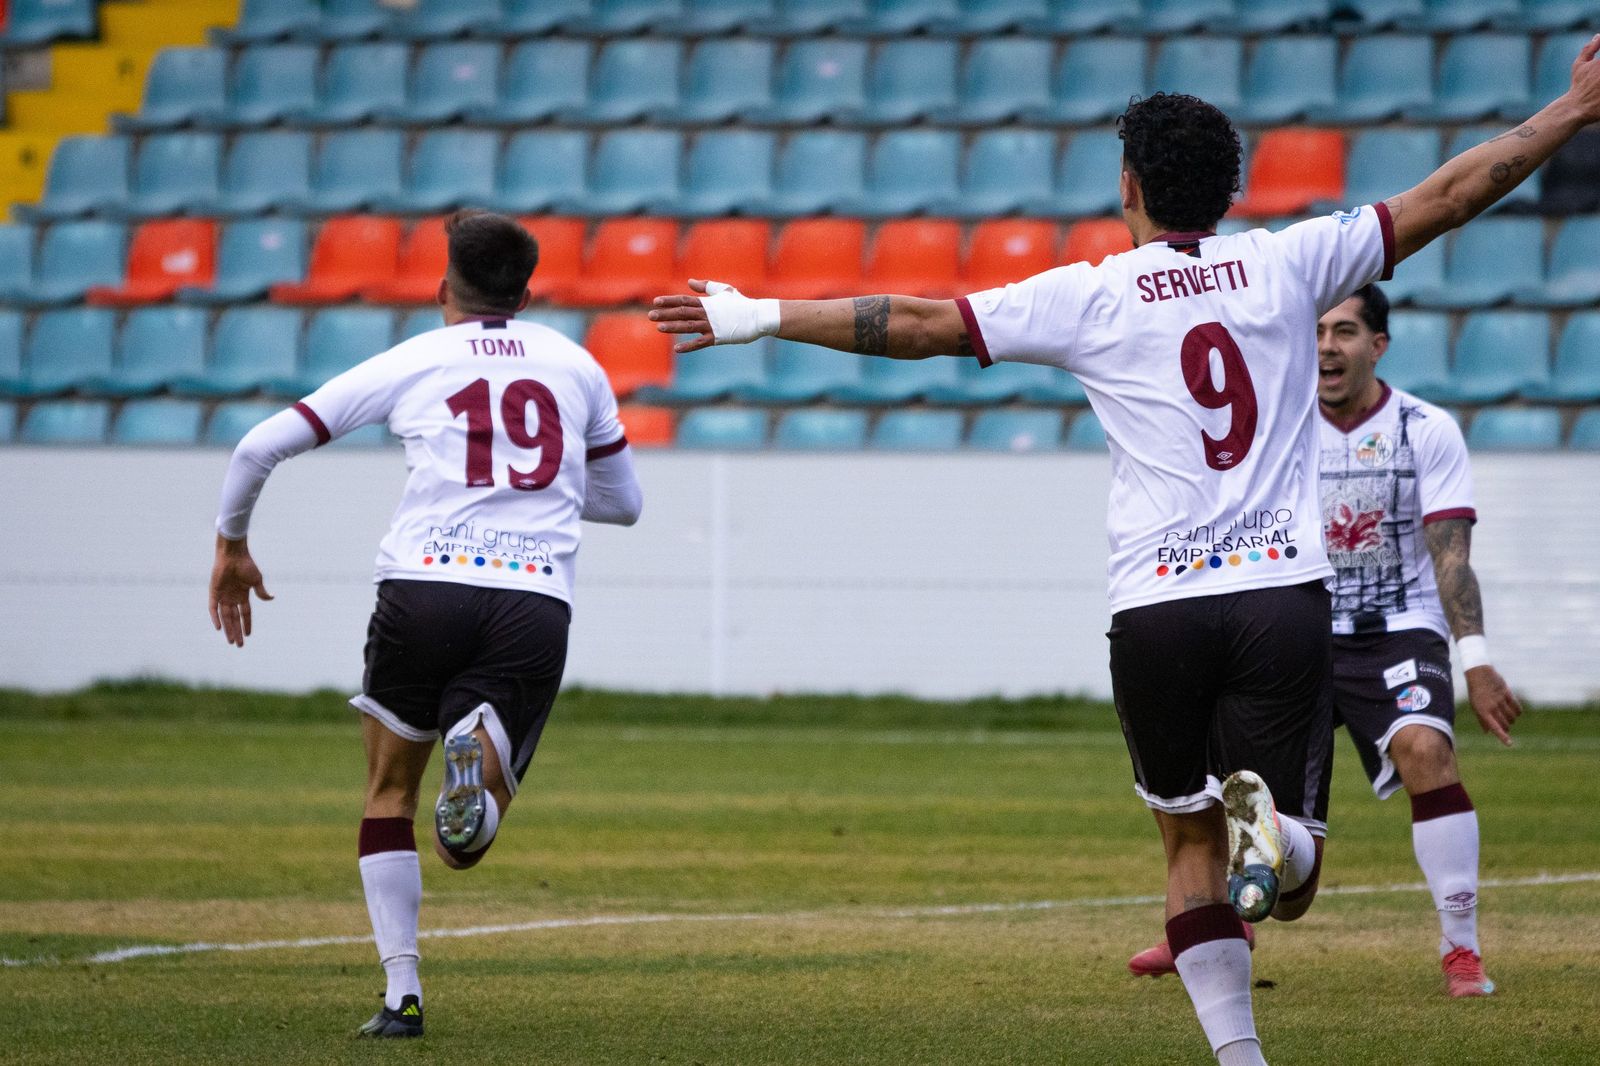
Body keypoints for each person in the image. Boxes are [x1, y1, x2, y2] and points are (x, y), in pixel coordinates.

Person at [650, 40, 1600, 1066]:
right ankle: (1274, 837)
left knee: (1185, 842)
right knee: (1294, 879)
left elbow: (919, 322)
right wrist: (1571, 110)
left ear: (1127, 188)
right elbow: (1452, 193)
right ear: (1231, 189)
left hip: (1156, 607)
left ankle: (1240, 1055)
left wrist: (751, 315)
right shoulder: (1295, 261)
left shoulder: (1090, 293)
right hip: (1281, 594)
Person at [207, 210, 643, 1038]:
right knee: (463, 849)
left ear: (444, 288)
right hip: (530, 597)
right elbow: (624, 504)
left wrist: (232, 546)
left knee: (387, 793)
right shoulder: (576, 364)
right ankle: (477, 742)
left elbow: (260, 446)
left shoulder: (416, 359)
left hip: (421, 586)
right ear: (526, 291)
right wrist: (540, 491)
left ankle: (402, 996)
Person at [1127, 284, 1523, 997]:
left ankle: (1461, 950)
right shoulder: (1279, 430)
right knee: (1250, 818)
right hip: (1292, 629)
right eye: (1315, 333)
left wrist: (1477, 661)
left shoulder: (1424, 429)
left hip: (1394, 630)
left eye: (1345, 332)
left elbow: (1450, 555)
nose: (1327, 348)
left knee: (1426, 749)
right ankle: (1219, 920)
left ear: (1378, 345)